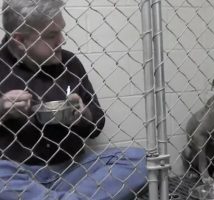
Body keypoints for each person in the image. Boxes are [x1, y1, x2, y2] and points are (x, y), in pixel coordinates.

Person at [0, 0, 147, 199]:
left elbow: (96, 125)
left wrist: (83, 115)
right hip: (15, 175)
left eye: (61, 31)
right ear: (20, 39)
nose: (62, 41)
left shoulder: (70, 63)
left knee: (142, 161)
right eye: (51, 35)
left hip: (73, 170)